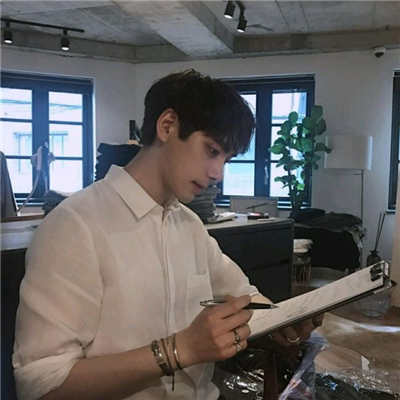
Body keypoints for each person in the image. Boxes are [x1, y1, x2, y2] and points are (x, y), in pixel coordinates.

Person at [13, 70, 323, 400]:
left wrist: (284, 322)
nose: (218, 173)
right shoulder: (75, 226)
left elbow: (243, 296)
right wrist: (179, 350)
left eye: (227, 159)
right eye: (212, 150)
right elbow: (42, 385)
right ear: (167, 126)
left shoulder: (188, 226)